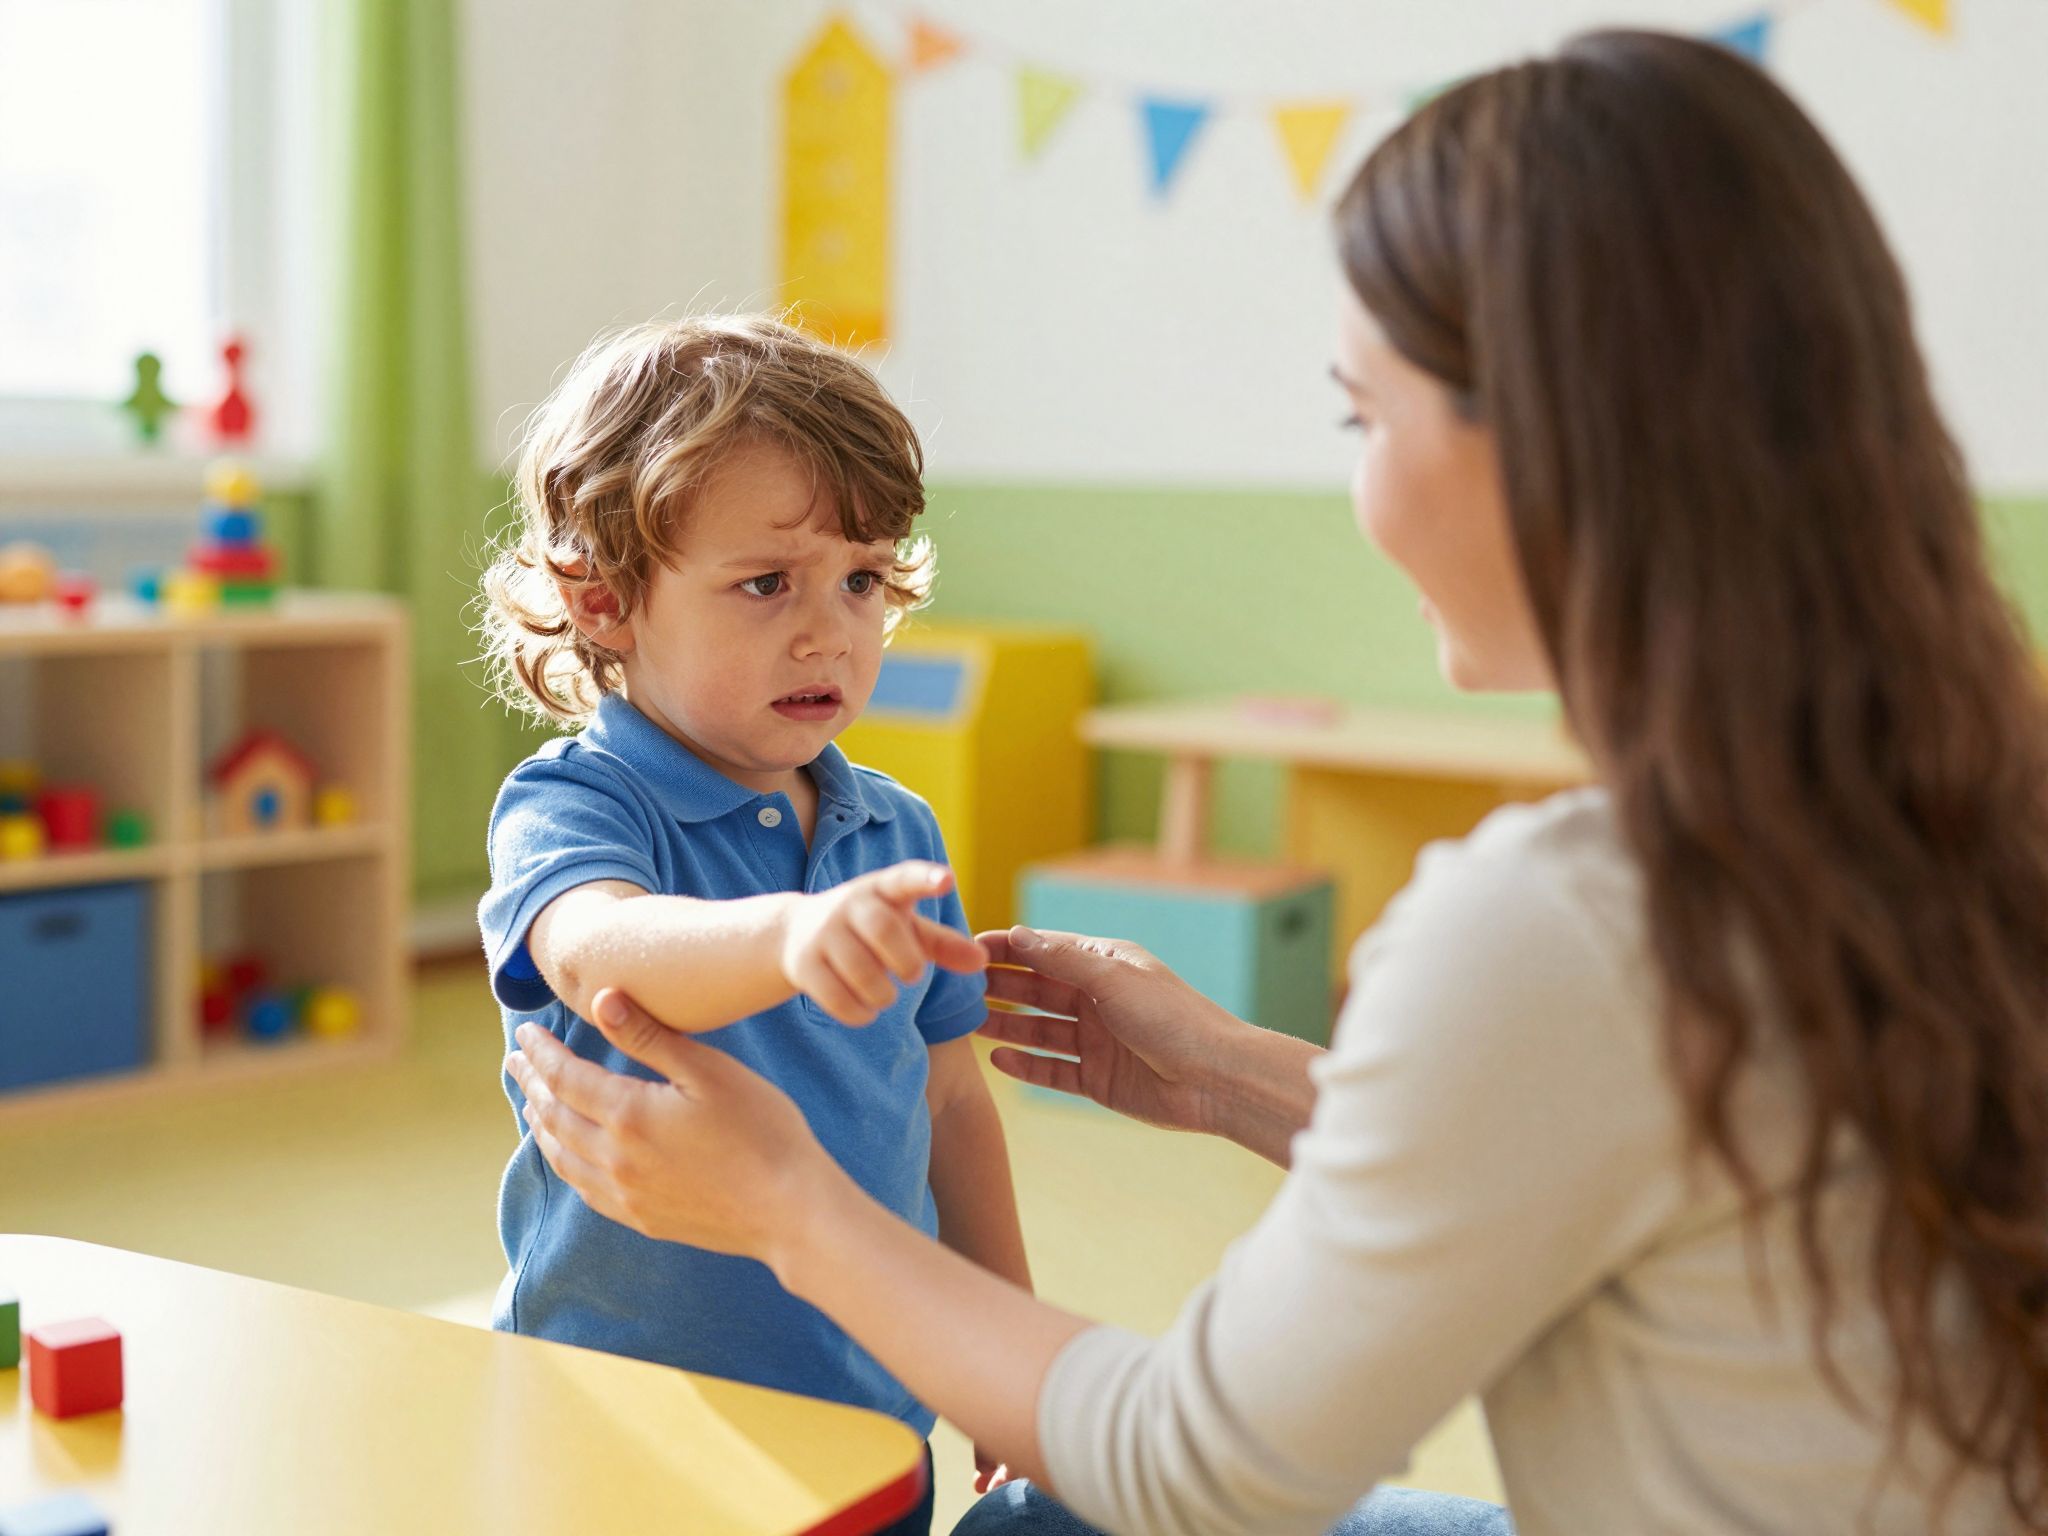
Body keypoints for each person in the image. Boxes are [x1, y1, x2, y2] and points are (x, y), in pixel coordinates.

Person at [503, 33, 2048, 1536]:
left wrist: (792, 1209)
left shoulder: (1564, 920)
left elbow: (1197, 1472)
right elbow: (1620, 1137)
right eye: (769, 582)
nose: (1358, 481)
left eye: (1361, 416)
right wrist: (1233, 1071)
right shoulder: (1972, 801)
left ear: (1551, 444)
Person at [476, 314, 1032, 1535]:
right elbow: (595, 952)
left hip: (869, 1413)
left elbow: (949, 1105)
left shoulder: (896, 832)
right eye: (765, 583)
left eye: (861, 579)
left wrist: (998, 1354)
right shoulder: (576, 803)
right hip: (617, 1413)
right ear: (606, 600)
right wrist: (788, 937)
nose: (828, 628)